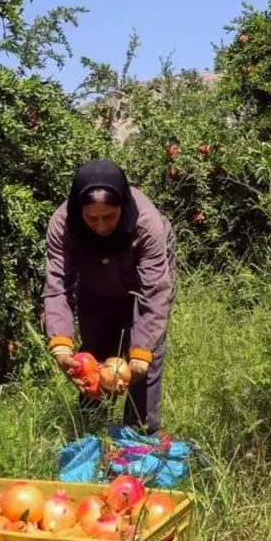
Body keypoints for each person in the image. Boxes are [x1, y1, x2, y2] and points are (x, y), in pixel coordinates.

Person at [42, 159, 176, 434]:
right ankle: (90, 431)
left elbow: (154, 294)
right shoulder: (63, 224)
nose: (100, 226)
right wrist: (61, 344)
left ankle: (141, 434)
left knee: (144, 359)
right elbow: (57, 284)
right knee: (94, 351)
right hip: (94, 287)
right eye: (91, 218)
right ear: (78, 210)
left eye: (109, 217)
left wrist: (141, 353)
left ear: (123, 207)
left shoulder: (148, 225)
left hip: (142, 284)